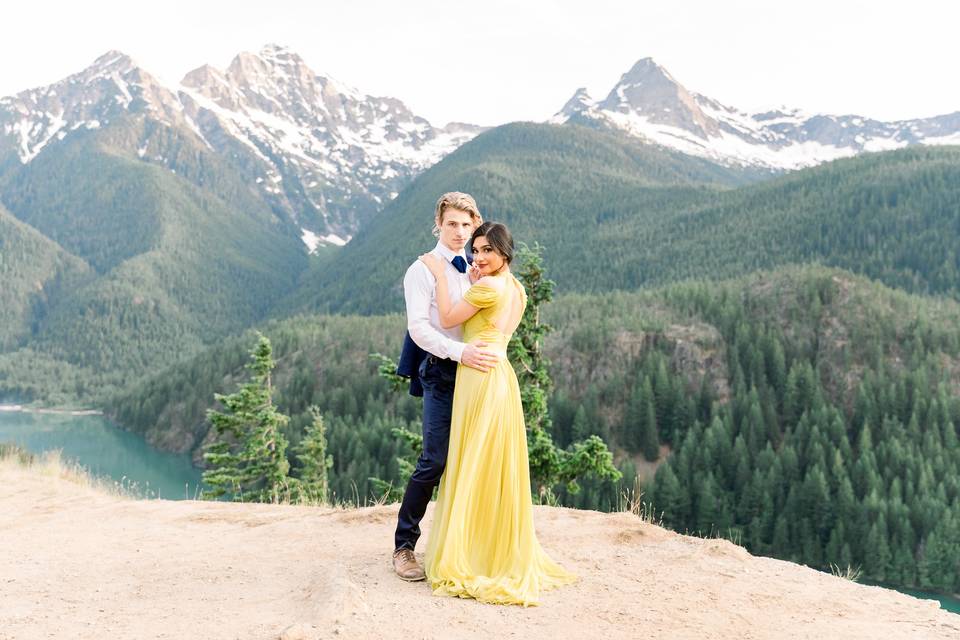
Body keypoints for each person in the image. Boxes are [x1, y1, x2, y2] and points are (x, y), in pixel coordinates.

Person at [417, 221, 576, 606]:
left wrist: (440, 274)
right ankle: (490, 547)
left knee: (471, 460)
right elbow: (490, 317)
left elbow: (450, 318)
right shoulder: (515, 287)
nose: (478, 257)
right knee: (490, 463)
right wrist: (475, 280)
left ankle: (470, 552)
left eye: (487, 250)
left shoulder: (488, 287)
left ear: (505, 252)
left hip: (477, 373)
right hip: (500, 374)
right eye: (476, 250)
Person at [392, 192, 499, 581]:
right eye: (452, 223)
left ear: (476, 227)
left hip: (478, 374)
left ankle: (465, 545)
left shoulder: (479, 266)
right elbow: (419, 328)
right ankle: (404, 546)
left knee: (473, 459)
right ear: (438, 224)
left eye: (466, 225)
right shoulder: (421, 270)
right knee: (434, 460)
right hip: (441, 371)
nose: (459, 232)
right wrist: (458, 352)